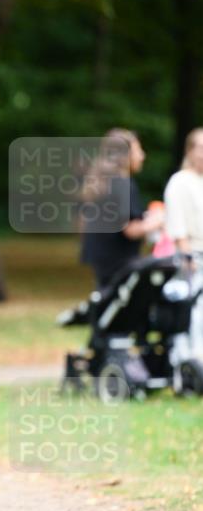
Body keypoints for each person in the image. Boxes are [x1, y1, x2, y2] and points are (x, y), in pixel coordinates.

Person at [80, 128, 163, 288]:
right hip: (119, 259)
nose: (143, 156)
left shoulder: (106, 181)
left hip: (102, 257)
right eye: (138, 150)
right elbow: (130, 230)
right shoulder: (123, 184)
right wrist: (158, 220)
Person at [164, 127, 203, 360]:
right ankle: (191, 362)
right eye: (199, 148)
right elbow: (177, 226)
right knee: (194, 314)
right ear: (189, 151)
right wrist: (187, 256)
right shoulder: (180, 182)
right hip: (192, 257)